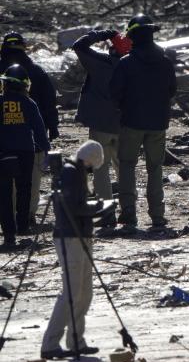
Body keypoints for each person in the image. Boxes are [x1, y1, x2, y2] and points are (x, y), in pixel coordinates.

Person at [41, 140, 111, 359]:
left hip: (79, 235)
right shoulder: (72, 173)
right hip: (70, 238)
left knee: (84, 293)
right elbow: (73, 208)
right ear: (91, 160)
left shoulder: (76, 171)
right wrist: (99, 207)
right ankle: (50, 343)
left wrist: (95, 206)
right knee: (71, 293)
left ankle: (76, 341)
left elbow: (75, 205)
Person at [109, 14, 176, 232]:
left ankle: (128, 216)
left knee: (127, 166)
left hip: (131, 123)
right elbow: (172, 90)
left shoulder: (126, 63)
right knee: (155, 168)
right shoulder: (165, 62)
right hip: (158, 123)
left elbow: (114, 93)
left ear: (133, 37)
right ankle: (158, 216)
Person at [73, 29, 132, 230]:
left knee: (101, 170)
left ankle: (107, 216)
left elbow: (79, 45)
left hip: (101, 126)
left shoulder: (100, 63)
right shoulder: (134, 67)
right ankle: (129, 214)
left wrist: (103, 33)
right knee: (125, 170)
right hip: (126, 125)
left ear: (113, 48)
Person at [0, 32, 59, 228]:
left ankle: (8, 226)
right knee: (29, 183)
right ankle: (26, 219)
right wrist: (52, 128)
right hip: (29, 143)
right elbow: (49, 102)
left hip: (4, 147)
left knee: (6, 187)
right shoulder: (36, 71)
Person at [0, 65, 50, 249]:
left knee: (4, 194)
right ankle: (23, 226)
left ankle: (9, 234)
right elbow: (39, 129)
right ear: (24, 85)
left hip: (3, 153)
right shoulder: (29, 103)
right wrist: (46, 151)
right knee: (24, 189)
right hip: (25, 152)